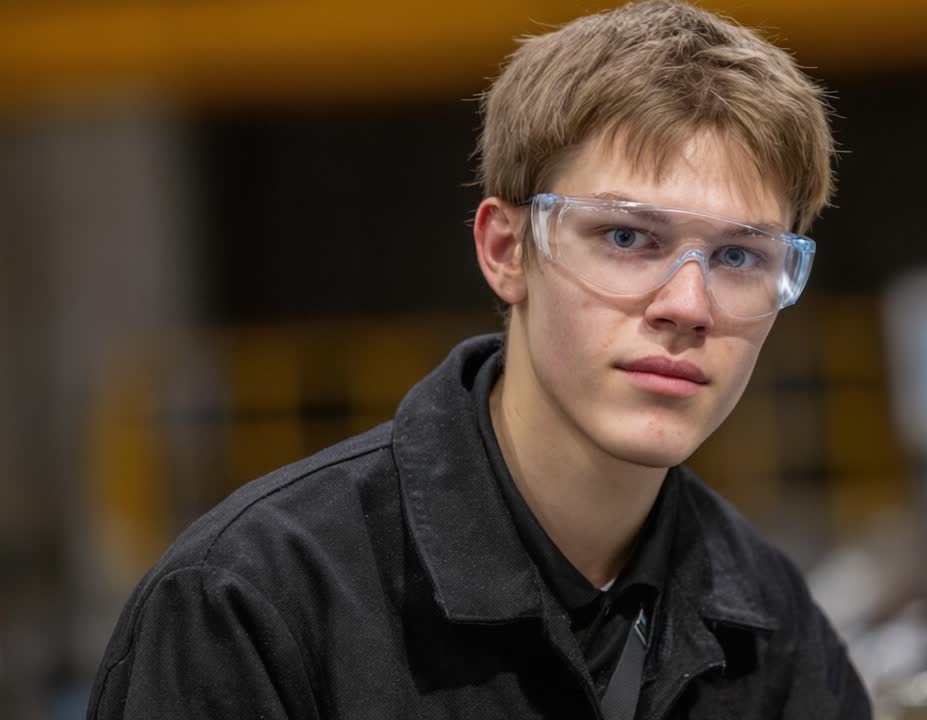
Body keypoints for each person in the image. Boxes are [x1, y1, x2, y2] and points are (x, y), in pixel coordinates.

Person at [87, 2, 871, 718]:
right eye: (629, 238)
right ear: (506, 252)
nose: (689, 307)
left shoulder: (775, 632)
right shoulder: (252, 606)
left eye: (739, 256)